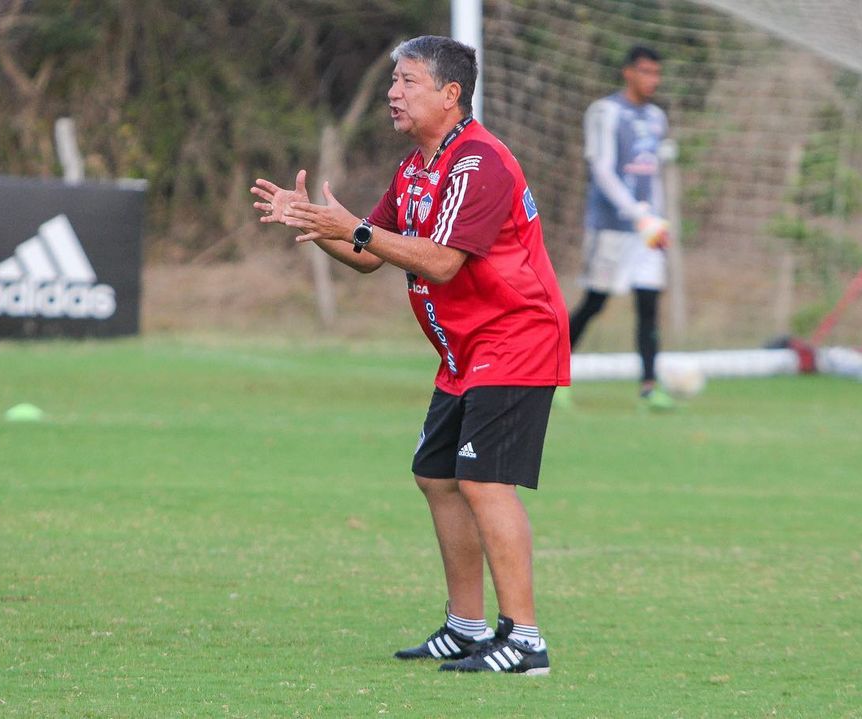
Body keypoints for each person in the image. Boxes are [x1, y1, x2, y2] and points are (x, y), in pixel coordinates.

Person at [250, 35, 569, 675]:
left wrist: (357, 229)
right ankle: (466, 626)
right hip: (464, 351)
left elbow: (444, 263)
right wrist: (318, 226)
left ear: (451, 95)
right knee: (436, 475)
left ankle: (525, 639)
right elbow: (369, 254)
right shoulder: (417, 168)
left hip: (515, 339)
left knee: (482, 480)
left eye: (408, 82)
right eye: (393, 81)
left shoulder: (479, 163)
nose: (393, 93)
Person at [564, 45, 674, 411]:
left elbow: (653, 172)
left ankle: (649, 387)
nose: (652, 80)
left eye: (656, 73)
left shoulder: (657, 117)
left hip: (645, 230)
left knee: (648, 304)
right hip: (611, 227)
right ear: (628, 72)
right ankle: (552, 377)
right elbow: (603, 171)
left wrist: (655, 219)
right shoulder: (606, 111)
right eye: (645, 72)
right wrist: (636, 213)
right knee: (594, 303)